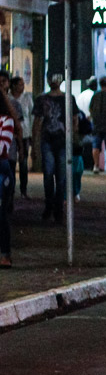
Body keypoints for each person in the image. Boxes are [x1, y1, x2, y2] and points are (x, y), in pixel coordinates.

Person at [33, 75, 79, 222]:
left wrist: (70, 137)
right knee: (50, 174)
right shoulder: (43, 99)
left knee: (59, 176)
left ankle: (56, 208)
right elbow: (37, 122)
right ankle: (51, 206)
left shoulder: (68, 98)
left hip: (61, 141)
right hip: (50, 140)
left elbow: (74, 119)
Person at [0, 82, 19, 267]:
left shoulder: (6, 120)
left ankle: (5, 254)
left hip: (1, 169)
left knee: (1, 214)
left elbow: (2, 147)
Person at [89, 76, 106, 173]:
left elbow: (90, 108)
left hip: (97, 125)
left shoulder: (95, 96)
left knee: (96, 146)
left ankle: (96, 165)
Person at [10, 77, 31, 198]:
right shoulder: (8, 99)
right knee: (11, 162)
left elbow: (31, 115)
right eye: (20, 84)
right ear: (13, 86)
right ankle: (11, 190)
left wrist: (32, 135)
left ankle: (23, 190)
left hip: (25, 133)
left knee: (23, 163)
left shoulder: (27, 98)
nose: (22, 87)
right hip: (12, 133)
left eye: (23, 84)